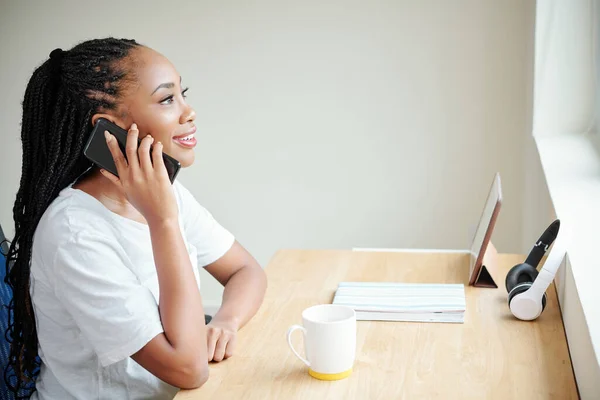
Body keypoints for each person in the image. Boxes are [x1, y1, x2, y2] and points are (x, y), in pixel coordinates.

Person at [4, 37, 267, 399]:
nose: (188, 112)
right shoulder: (74, 232)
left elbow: (245, 271)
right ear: (108, 129)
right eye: (167, 99)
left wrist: (226, 321)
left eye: (182, 93)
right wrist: (164, 222)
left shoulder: (166, 195)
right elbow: (189, 369)